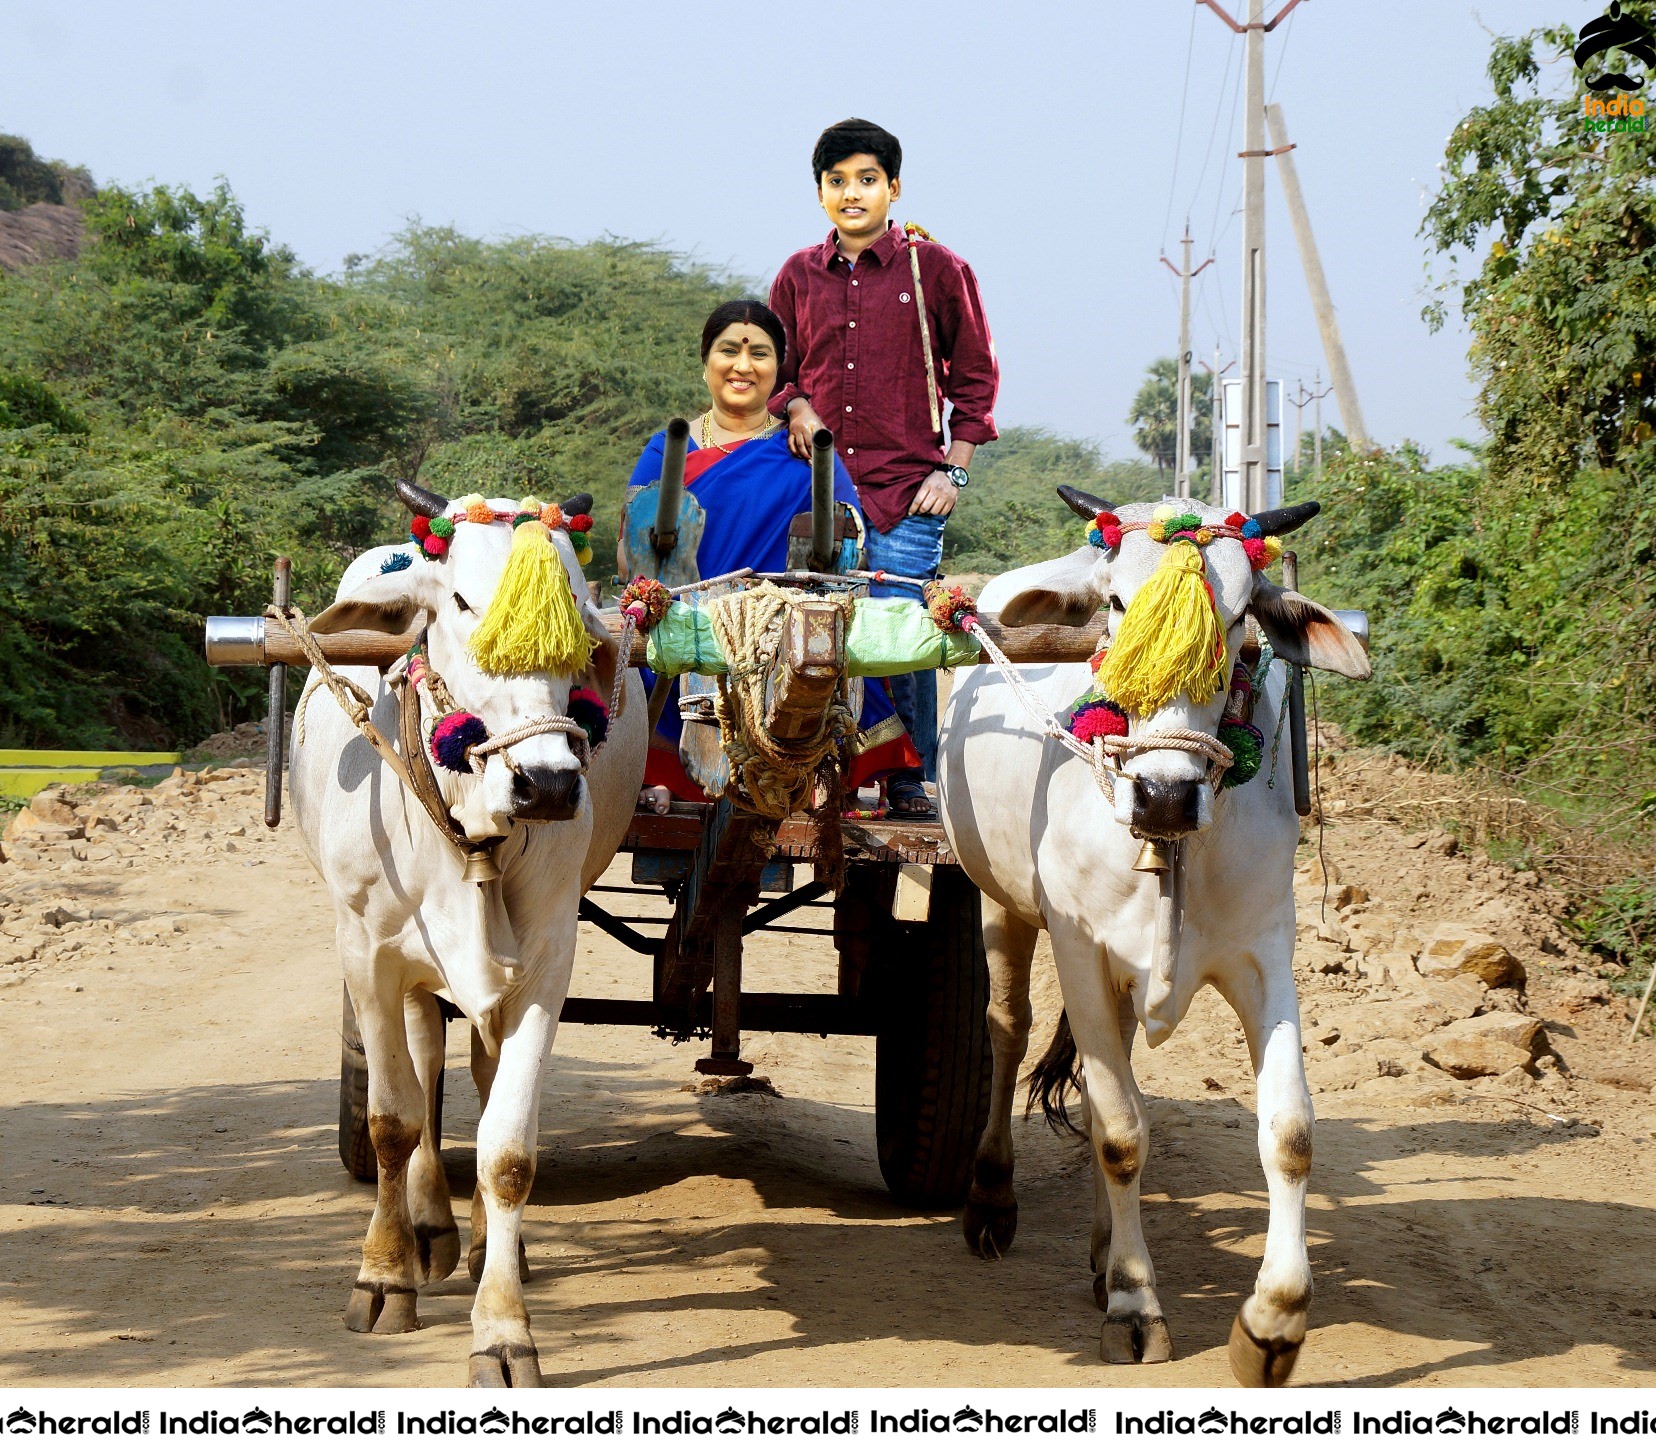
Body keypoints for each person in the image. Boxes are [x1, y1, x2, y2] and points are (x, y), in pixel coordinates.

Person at [767, 118, 999, 819]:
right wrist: (798, 408)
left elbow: (978, 380)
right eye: (837, 182)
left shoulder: (939, 269)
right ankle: (805, 768)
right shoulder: (797, 275)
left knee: (902, 635)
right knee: (815, 634)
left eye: (867, 180)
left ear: (893, 188)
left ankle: (909, 777)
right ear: (820, 195)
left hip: (907, 491)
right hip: (817, 494)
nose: (852, 193)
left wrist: (951, 474)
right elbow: (774, 368)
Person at [628, 298, 920, 810]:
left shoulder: (804, 450)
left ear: (777, 370)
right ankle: (663, 770)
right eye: (728, 351)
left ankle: (821, 769)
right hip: (689, 623)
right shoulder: (666, 448)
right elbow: (638, 550)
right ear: (705, 364)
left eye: (759, 354)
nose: (743, 366)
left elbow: (845, 547)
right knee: (641, 653)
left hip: (780, 630)